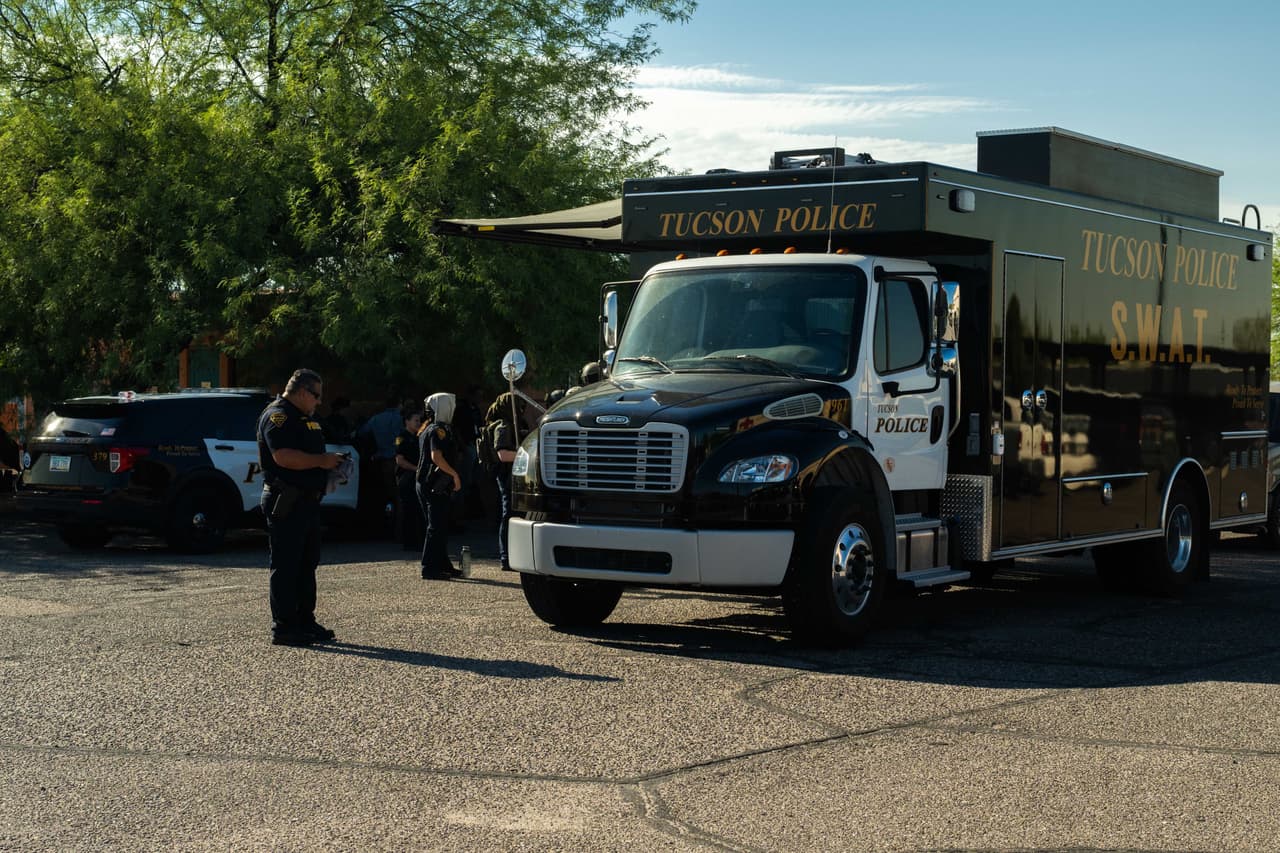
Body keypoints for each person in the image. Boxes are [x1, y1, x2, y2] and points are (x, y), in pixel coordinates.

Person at [256, 368, 344, 646]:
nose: (319, 402)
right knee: (286, 564)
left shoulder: (305, 418)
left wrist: (331, 467)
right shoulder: (278, 416)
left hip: (307, 501)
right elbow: (282, 456)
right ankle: (284, 626)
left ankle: (305, 620)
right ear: (303, 392)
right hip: (287, 501)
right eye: (316, 396)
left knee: (307, 563)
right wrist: (321, 462)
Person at [416, 392, 463, 579]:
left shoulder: (430, 428)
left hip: (429, 483)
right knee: (436, 527)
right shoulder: (437, 430)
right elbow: (437, 457)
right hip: (434, 484)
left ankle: (443, 564)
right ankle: (429, 567)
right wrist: (455, 475)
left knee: (439, 526)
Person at [484, 391, 527, 572]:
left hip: (511, 475)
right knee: (508, 514)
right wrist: (525, 455)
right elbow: (502, 454)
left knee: (513, 513)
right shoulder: (503, 425)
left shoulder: (511, 424)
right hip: (506, 475)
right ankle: (506, 556)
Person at [357, 394, 403, 537]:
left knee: (385, 495)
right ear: (399, 404)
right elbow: (402, 436)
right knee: (400, 496)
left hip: (381, 460)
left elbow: (361, 432)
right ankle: (399, 531)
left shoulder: (376, 418)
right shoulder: (401, 419)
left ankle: (384, 528)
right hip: (398, 459)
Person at [393, 404, 424, 552]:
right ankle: (408, 542)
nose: (419, 423)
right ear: (407, 421)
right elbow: (399, 460)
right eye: (416, 420)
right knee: (408, 510)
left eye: (419, 420)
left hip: (417, 477)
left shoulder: (419, 437)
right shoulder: (402, 437)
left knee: (418, 509)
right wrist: (415, 468)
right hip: (407, 477)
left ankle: (418, 540)